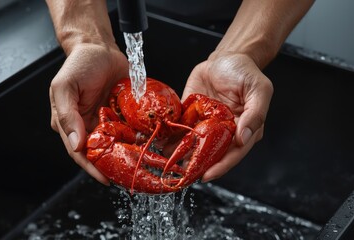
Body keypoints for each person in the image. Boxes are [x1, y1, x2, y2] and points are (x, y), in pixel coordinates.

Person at [45, 0, 315, 186]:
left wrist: (242, 51)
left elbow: (215, 112)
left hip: (245, 18)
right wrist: (87, 39)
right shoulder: (112, 109)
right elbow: (103, 133)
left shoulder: (187, 109)